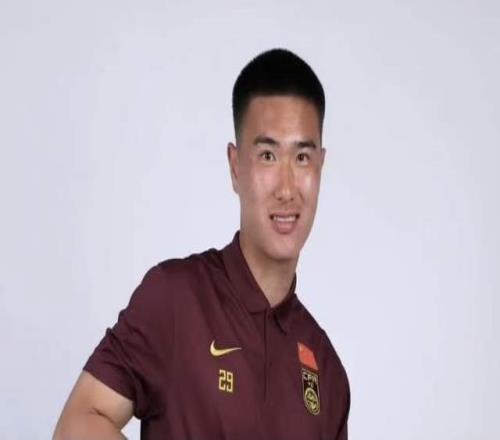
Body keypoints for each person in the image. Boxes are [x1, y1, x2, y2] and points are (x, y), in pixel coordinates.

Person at [53, 48, 350, 440]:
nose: (286, 188)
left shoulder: (326, 369)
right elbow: (77, 424)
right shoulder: (176, 299)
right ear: (235, 167)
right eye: (267, 155)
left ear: (320, 167)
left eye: (302, 158)